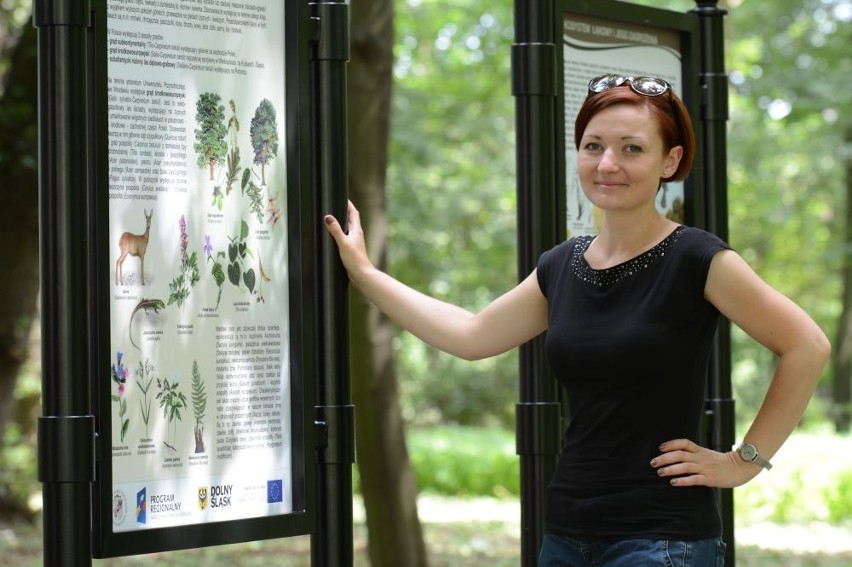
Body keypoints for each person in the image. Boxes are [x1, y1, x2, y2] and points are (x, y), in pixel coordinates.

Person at [323, 73, 830, 566]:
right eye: (593, 146)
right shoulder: (562, 265)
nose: (608, 163)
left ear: (670, 161)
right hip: (566, 536)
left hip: (662, 541)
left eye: (632, 148)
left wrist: (742, 462)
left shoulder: (697, 258)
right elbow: (470, 335)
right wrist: (365, 275)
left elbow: (807, 346)